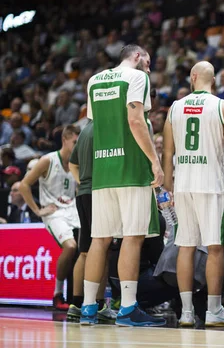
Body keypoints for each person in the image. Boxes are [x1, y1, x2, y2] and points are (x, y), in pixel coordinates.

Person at [80, 44, 165, 327]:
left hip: (103, 172)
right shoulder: (137, 77)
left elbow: (94, 125)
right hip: (130, 169)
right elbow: (134, 119)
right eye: (148, 61)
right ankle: (128, 308)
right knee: (133, 236)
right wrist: (155, 160)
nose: (150, 68)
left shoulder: (94, 80)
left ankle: (88, 308)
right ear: (137, 56)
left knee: (99, 239)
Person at [162, 61, 224, 328]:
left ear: (193, 77)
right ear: (213, 81)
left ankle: (186, 312)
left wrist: (167, 187)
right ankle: (213, 310)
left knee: (185, 246)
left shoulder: (175, 107)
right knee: (215, 247)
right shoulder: (223, 106)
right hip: (210, 183)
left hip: (183, 184)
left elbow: (167, 152)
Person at [19, 125, 81, 311]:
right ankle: (57, 294)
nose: (77, 146)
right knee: (71, 247)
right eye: (75, 142)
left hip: (73, 210)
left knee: (90, 248)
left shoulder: (76, 164)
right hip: (54, 212)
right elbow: (24, 185)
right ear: (65, 139)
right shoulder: (47, 160)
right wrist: (38, 210)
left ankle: (81, 298)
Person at [67, 121, 116, 321]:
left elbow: (72, 164)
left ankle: (77, 303)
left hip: (83, 192)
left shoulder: (86, 130)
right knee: (102, 246)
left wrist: (83, 182)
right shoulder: (107, 127)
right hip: (99, 192)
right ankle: (98, 303)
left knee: (85, 250)